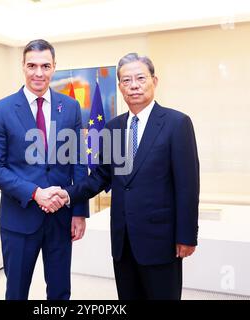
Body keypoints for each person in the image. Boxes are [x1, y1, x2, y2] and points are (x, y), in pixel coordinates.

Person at [51, 53, 200, 300]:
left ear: (154, 81)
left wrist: (186, 236)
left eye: (140, 78)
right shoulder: (114, 128)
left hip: (160, 241)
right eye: (126, 80)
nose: (134, 85)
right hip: (123, 240)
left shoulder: (177, 123)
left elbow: (188, 186)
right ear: (119, 86)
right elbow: (101, 176)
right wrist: (67, 193)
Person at [0, 39, 89, 300]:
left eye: (45, 66)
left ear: (54, 68)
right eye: (32, 65)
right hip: (19, 220)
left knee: (60, 292)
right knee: (17, 292)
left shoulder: (71, 107)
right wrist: (34, 193)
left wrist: (79, 211)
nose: (38, 73)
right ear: (23, 66)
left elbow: (78, 161)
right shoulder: (1, 110)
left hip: (60, 220)